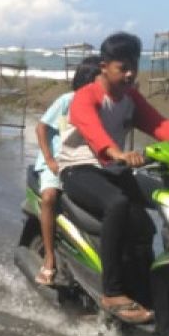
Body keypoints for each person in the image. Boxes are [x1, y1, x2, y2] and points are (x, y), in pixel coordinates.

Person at [58, 32, 169, 324]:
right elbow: (92, 129)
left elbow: (160, 124)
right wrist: (116, 152)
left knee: (153, 215)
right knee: (117, 204)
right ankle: (112, 292)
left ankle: (149, 288)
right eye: (122, 68)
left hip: (113, 169)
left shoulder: (131, 98)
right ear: (104, 66)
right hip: (79, 168)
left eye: (134, 67)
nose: (129, 74)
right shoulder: (86, 95)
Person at [33, 55, 101, 285]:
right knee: (50, 196)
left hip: (84, 163)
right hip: (58, 162)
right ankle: (49, 259)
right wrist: (50, 159)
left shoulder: (104, 106)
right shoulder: (67, 101)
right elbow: (41, 128)